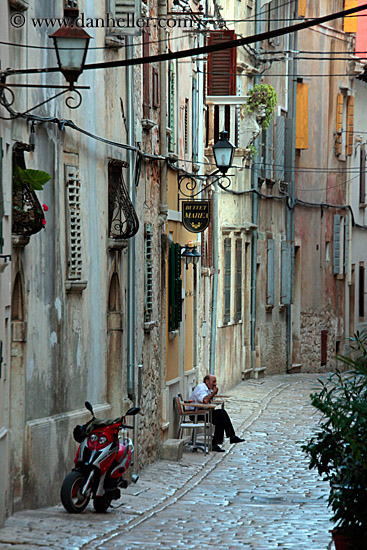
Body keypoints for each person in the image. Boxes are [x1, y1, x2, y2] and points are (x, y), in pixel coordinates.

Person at [189, 374, 245, 452]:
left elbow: (207, 402)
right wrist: (213, 393)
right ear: (207, 381)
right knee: (222, 413)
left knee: (221, 419)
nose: (215, 384)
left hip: (203, 412)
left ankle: (216, 443)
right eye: (213, 382)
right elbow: (205, 400)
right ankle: (231, 436)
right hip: (196, 414)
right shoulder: (201, 388)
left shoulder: (208, 389)